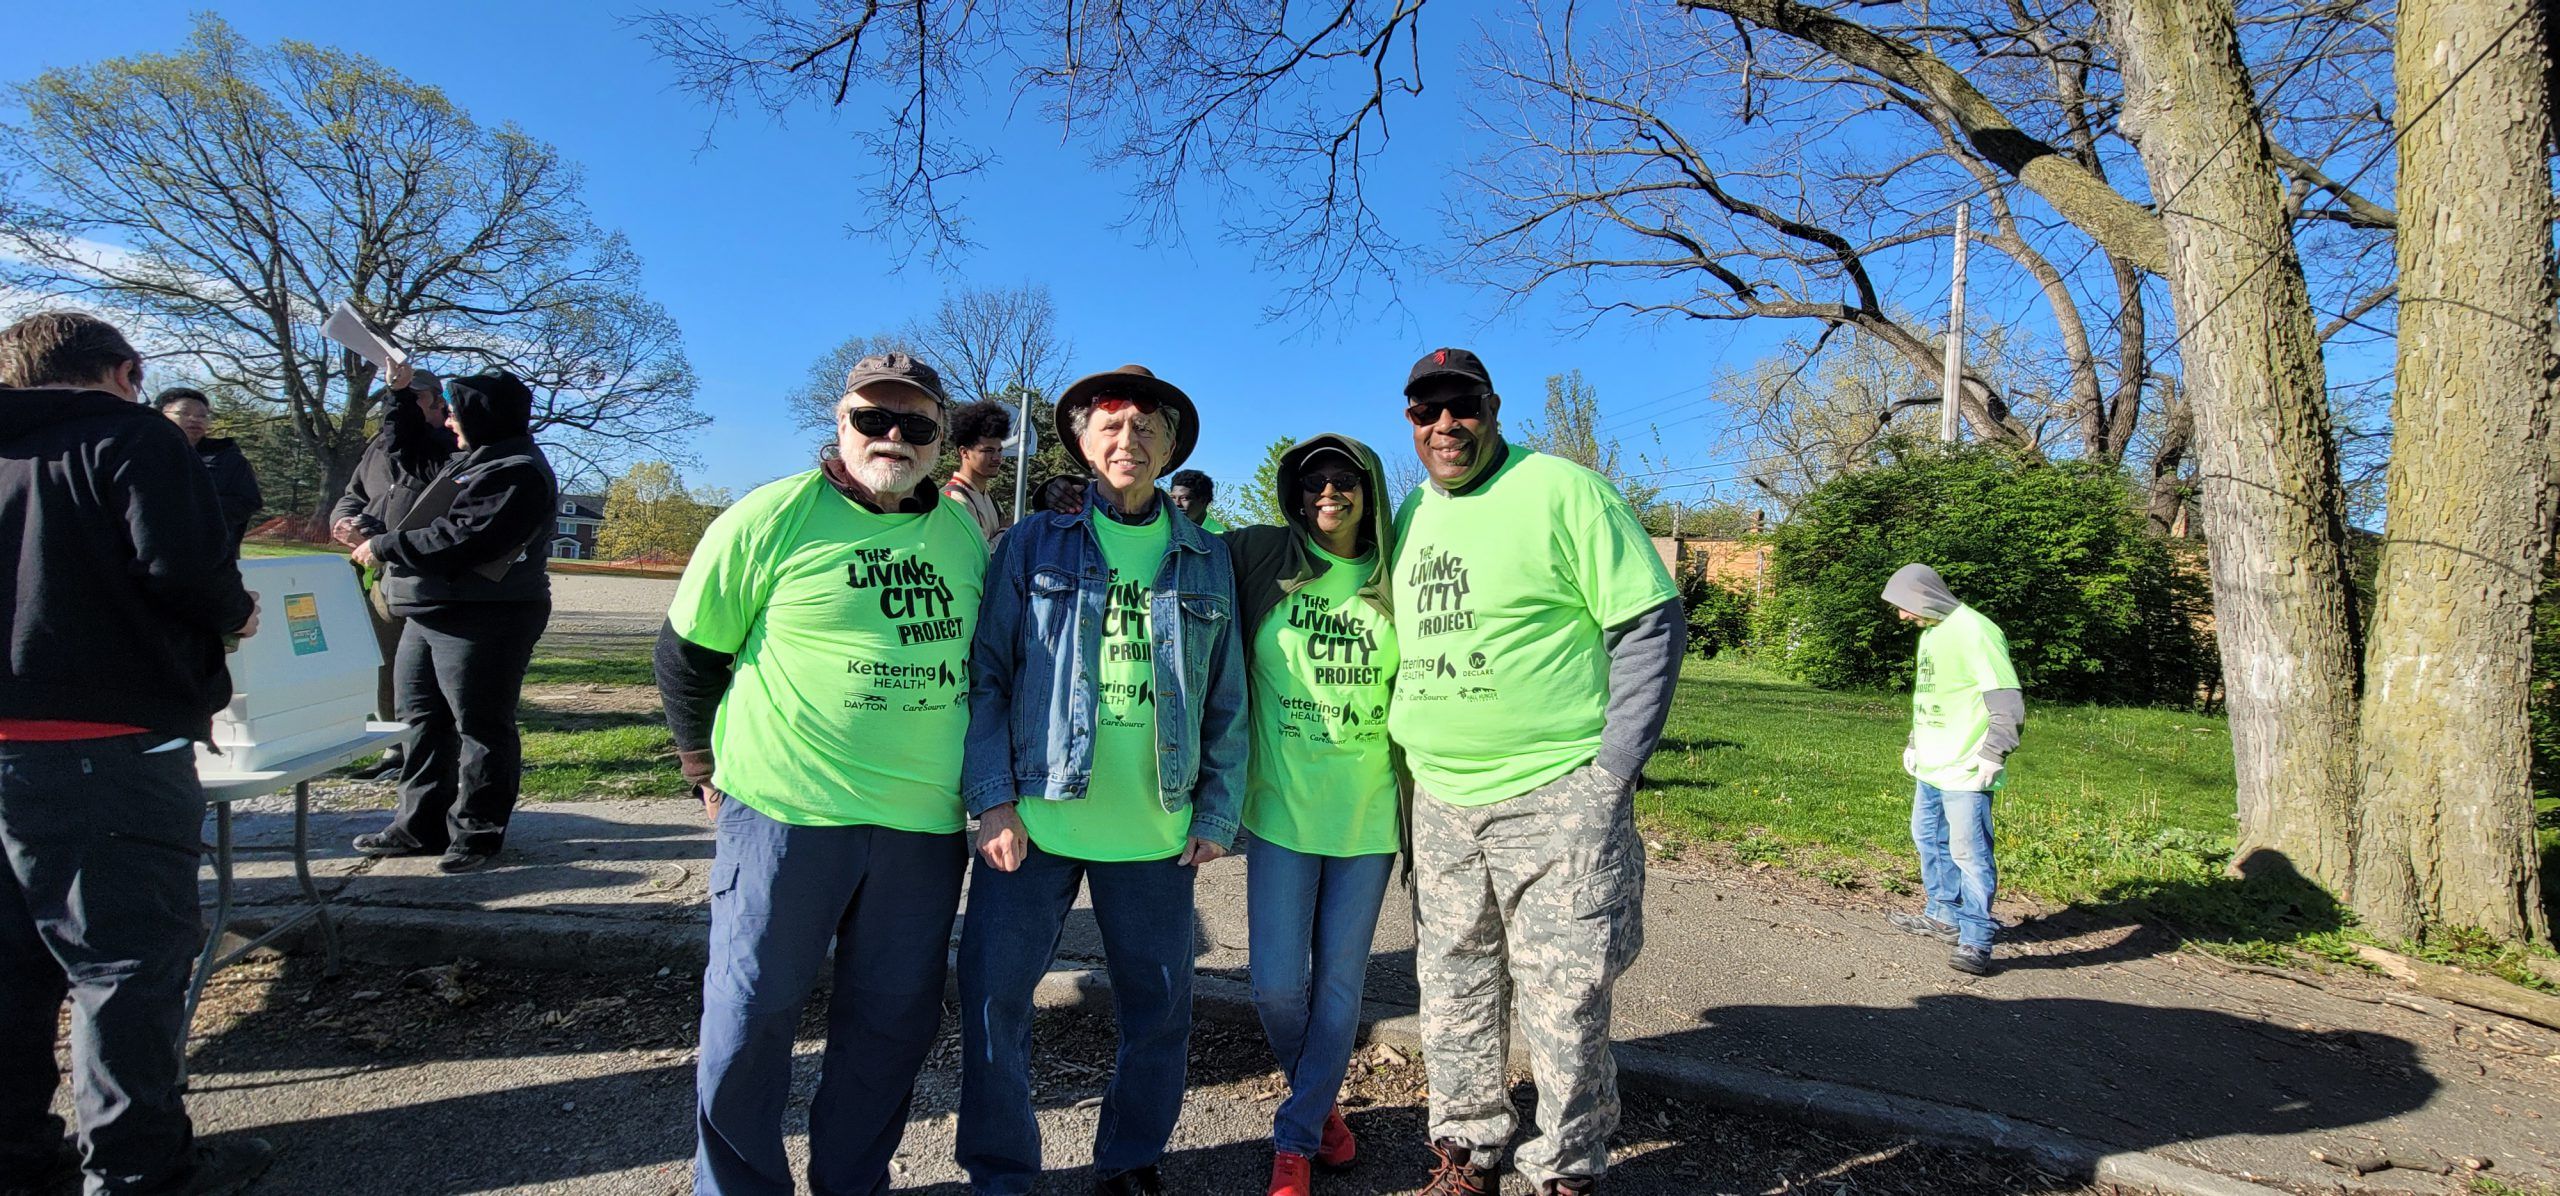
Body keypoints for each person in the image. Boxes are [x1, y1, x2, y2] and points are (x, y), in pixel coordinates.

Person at [658, 353, 986, 1195]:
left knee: (890, 1025)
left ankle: (853, 1182)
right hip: (787, 813)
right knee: (752, 1015)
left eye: (915, 424)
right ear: (840, 424)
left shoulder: (960, 533)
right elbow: (687, 654)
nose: (892, 437)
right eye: (873, 419)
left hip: (921, 825)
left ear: (939, 439)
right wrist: (701, 766)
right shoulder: (770, 515)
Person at [1389, 348, 1683, 1196]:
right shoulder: (1411, 513)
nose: (1446, 425)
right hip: (1441, 796)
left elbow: (1650, 624)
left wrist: (1611, 775)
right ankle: (1468, 1148)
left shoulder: (1565, 490)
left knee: (1566, 996)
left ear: (1493, 408)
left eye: (1463, 406)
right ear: (1411, 422)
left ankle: (1566, 1167)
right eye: (1427, 411)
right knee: (1453, 983)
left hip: (1556, 791)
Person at [956, 364, 1247, 1196]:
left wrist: (1217, 811)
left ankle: (1129, 1160)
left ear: (1170, 447)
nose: (1130, 439)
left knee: (1159, 1013)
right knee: (993, 1002)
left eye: (1148, 426)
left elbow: (1228, 696)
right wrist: (993, 799)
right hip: (1034, 824)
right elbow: (989, 676)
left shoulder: (1208, 558)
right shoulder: (1030, 545)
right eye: (1111, 424)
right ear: (1083, 443)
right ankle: (1002, 1172)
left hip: (1155, 832)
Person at [0, 312, 270, 1194]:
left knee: (10, 968)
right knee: (122, 970)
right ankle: (138, 1171)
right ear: (125, 371)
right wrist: (235, 612)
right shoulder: (133, 438)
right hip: (104, 742)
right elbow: (182, 566)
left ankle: (15, 1157)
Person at [1222, 436, 1399, 1196]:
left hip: (1368, 816)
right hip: (1279, 810)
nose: (1328, 490)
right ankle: (1321, 1104)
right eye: (1312, 480)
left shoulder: (1398, 574)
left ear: (1369, 489)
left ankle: (1296, 1138)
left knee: (1337, 986)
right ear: (1295, 495)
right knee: (1273, 987)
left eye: (1344, 478)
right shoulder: (1263, 559)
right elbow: (1170, 543)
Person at [348, 370, 556, 873]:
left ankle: (477, 833)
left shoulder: (517, 471)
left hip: (488, 617)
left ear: (484, 416)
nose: (446, 421)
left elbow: (462, 539)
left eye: (454, 412)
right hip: (430, 611)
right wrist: (399, 394)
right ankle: (418, 826)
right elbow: (406, 452)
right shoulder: (469, 458)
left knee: (479, 726)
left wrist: (383, 546)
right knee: (420, 722)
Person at [1880, 563, 2024, 976]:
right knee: (1928, 838)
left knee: (1969, 853)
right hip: (1932, 763)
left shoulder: (1977, 631)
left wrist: (1994, 752)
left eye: (1905, 605)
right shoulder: (1930, 634)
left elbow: (2006, 699)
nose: (1902, 616)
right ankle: (1943, 915)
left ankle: (1976, 937)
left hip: (1966, 766)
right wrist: (1914, 741)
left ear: (1925, 597)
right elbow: (1933, 696)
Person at [331, 366, 456, 782]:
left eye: (412, 396)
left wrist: (388, 540)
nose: (399, 404)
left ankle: (425, 754)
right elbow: (353, 495)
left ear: (437, 402)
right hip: (374, 572)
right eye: (397, 396)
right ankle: (394, 749)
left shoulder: (449, 450)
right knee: (382, 663)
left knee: (418, 674)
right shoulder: (378, 446)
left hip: (420, 576)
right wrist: (343, 523)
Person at [154, 387, 263, 548]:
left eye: (202, 415)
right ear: (160, 416)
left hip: (209, 552)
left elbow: (248, 503)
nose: (194, 419)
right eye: (184, 413)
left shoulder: (228, 459)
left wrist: (193, 508)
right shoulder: (143, 455)